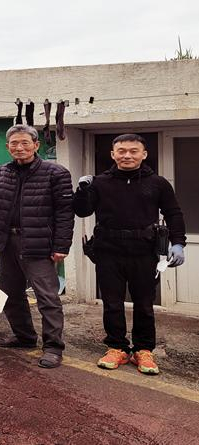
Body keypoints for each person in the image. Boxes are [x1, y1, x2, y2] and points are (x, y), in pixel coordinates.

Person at [73, 134, 186, 375]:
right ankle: (116, 347)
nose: (127, 155)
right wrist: (82, 190)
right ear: (113, 155)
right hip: (108, 253)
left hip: (144, 253)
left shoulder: (158, 183)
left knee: (144, 305)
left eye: (133, 151)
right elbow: (82, 211)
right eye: (121, 151)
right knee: (112, 304)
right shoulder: (100, 183)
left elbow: (174, 213)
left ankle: (143, 351)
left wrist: (179, 243)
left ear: (143, 154)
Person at [0, 124, 74, 369]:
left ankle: (53, 347)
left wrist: (61, 246)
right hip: (7, 241)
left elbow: (65, 213)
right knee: (10, 293)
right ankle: (25, 336)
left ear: (36, 145)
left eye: (25, 143)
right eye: (14, 144)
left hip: (38, 243)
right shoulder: (1, 172)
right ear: (7, 147)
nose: (19, 148)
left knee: (47, 297)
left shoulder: (56, 173)